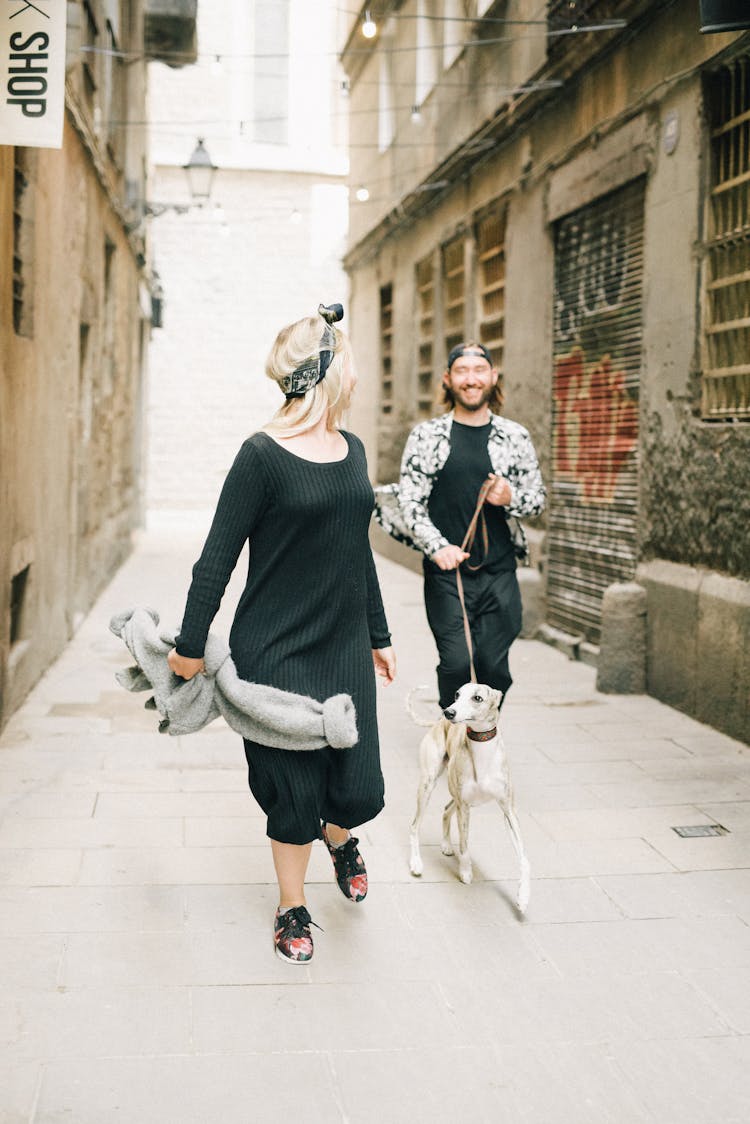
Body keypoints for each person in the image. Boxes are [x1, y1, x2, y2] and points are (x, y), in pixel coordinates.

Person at [167, 304, 396, 965]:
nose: (356, 372)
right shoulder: (260, 457)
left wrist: (378, 633)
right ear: (327, 371)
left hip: (344, 645)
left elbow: (357, 551)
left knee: (359, 789)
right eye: (348, 359)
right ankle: (291, 906)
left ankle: (341, 836)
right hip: (274, 653)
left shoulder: (352, 452)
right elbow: (216, 558)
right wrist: (188, 648)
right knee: (291, 792)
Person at [375, 340, 544, 711]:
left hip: (499, 570)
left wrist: (509, 496)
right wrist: (438, 547)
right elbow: (411, 502)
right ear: (448, 380)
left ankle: (480, 733)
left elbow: (538, 500)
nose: (471, 379)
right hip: (447, 574)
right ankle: (453, 735)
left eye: (479, 370)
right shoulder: (426, 436)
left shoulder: (514, 437)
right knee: (455, 662)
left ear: (493, 376)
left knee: (493, 667)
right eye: (462, 372)